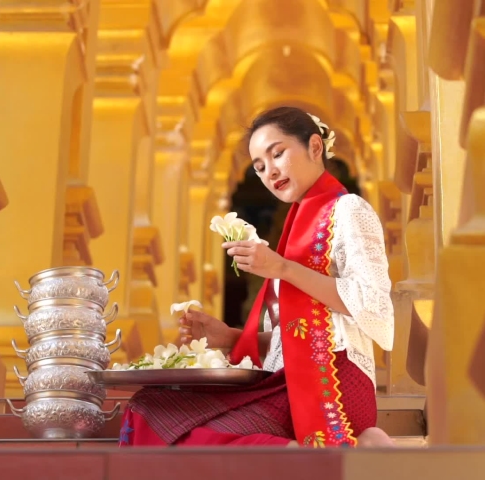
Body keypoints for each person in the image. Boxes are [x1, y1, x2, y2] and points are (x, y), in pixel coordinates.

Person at [118, 106, 395, 448]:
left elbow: (374, 305)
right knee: (149, 408)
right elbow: (295, 337)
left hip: (334, 380)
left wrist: (282, 268)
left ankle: (311, 460)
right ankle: (313, 457)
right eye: (260, 167)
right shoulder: (294, 230)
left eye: (277, 154)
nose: (270, 172)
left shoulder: (350, 210)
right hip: (286, 379)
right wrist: (229, 337)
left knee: (194, 435)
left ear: (314, 147)